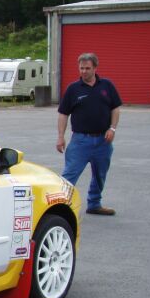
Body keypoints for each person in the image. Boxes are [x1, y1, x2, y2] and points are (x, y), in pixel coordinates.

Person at [56, 52, 122, 215]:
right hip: (80, 141)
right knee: (69, 175)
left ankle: (94, 204)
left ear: (95, 68)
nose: (84, 71)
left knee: (100, 175)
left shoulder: (107, 86)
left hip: (103, 141)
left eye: (87, 68)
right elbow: (63, 114)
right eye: (81, 68)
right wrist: (60, 137)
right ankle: (59, 206)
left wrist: (112, 128)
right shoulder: (73, 89)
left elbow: (115, 108)